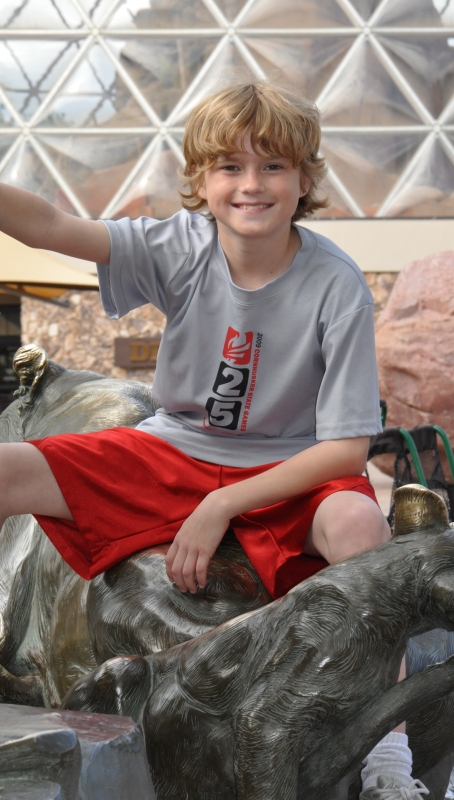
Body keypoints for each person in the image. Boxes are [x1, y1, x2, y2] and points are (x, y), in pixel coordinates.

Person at [0, 81, 427, 800]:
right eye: (230, 166)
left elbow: (346, 450)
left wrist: (221, 506)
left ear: (304, 180)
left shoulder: (336, 284)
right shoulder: (180, 245)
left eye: (273, 167)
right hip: (173, 453)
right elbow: (48, 224)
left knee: (361, 524)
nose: (250, 185)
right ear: (201, 181)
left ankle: (388, 750)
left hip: (292, 466)